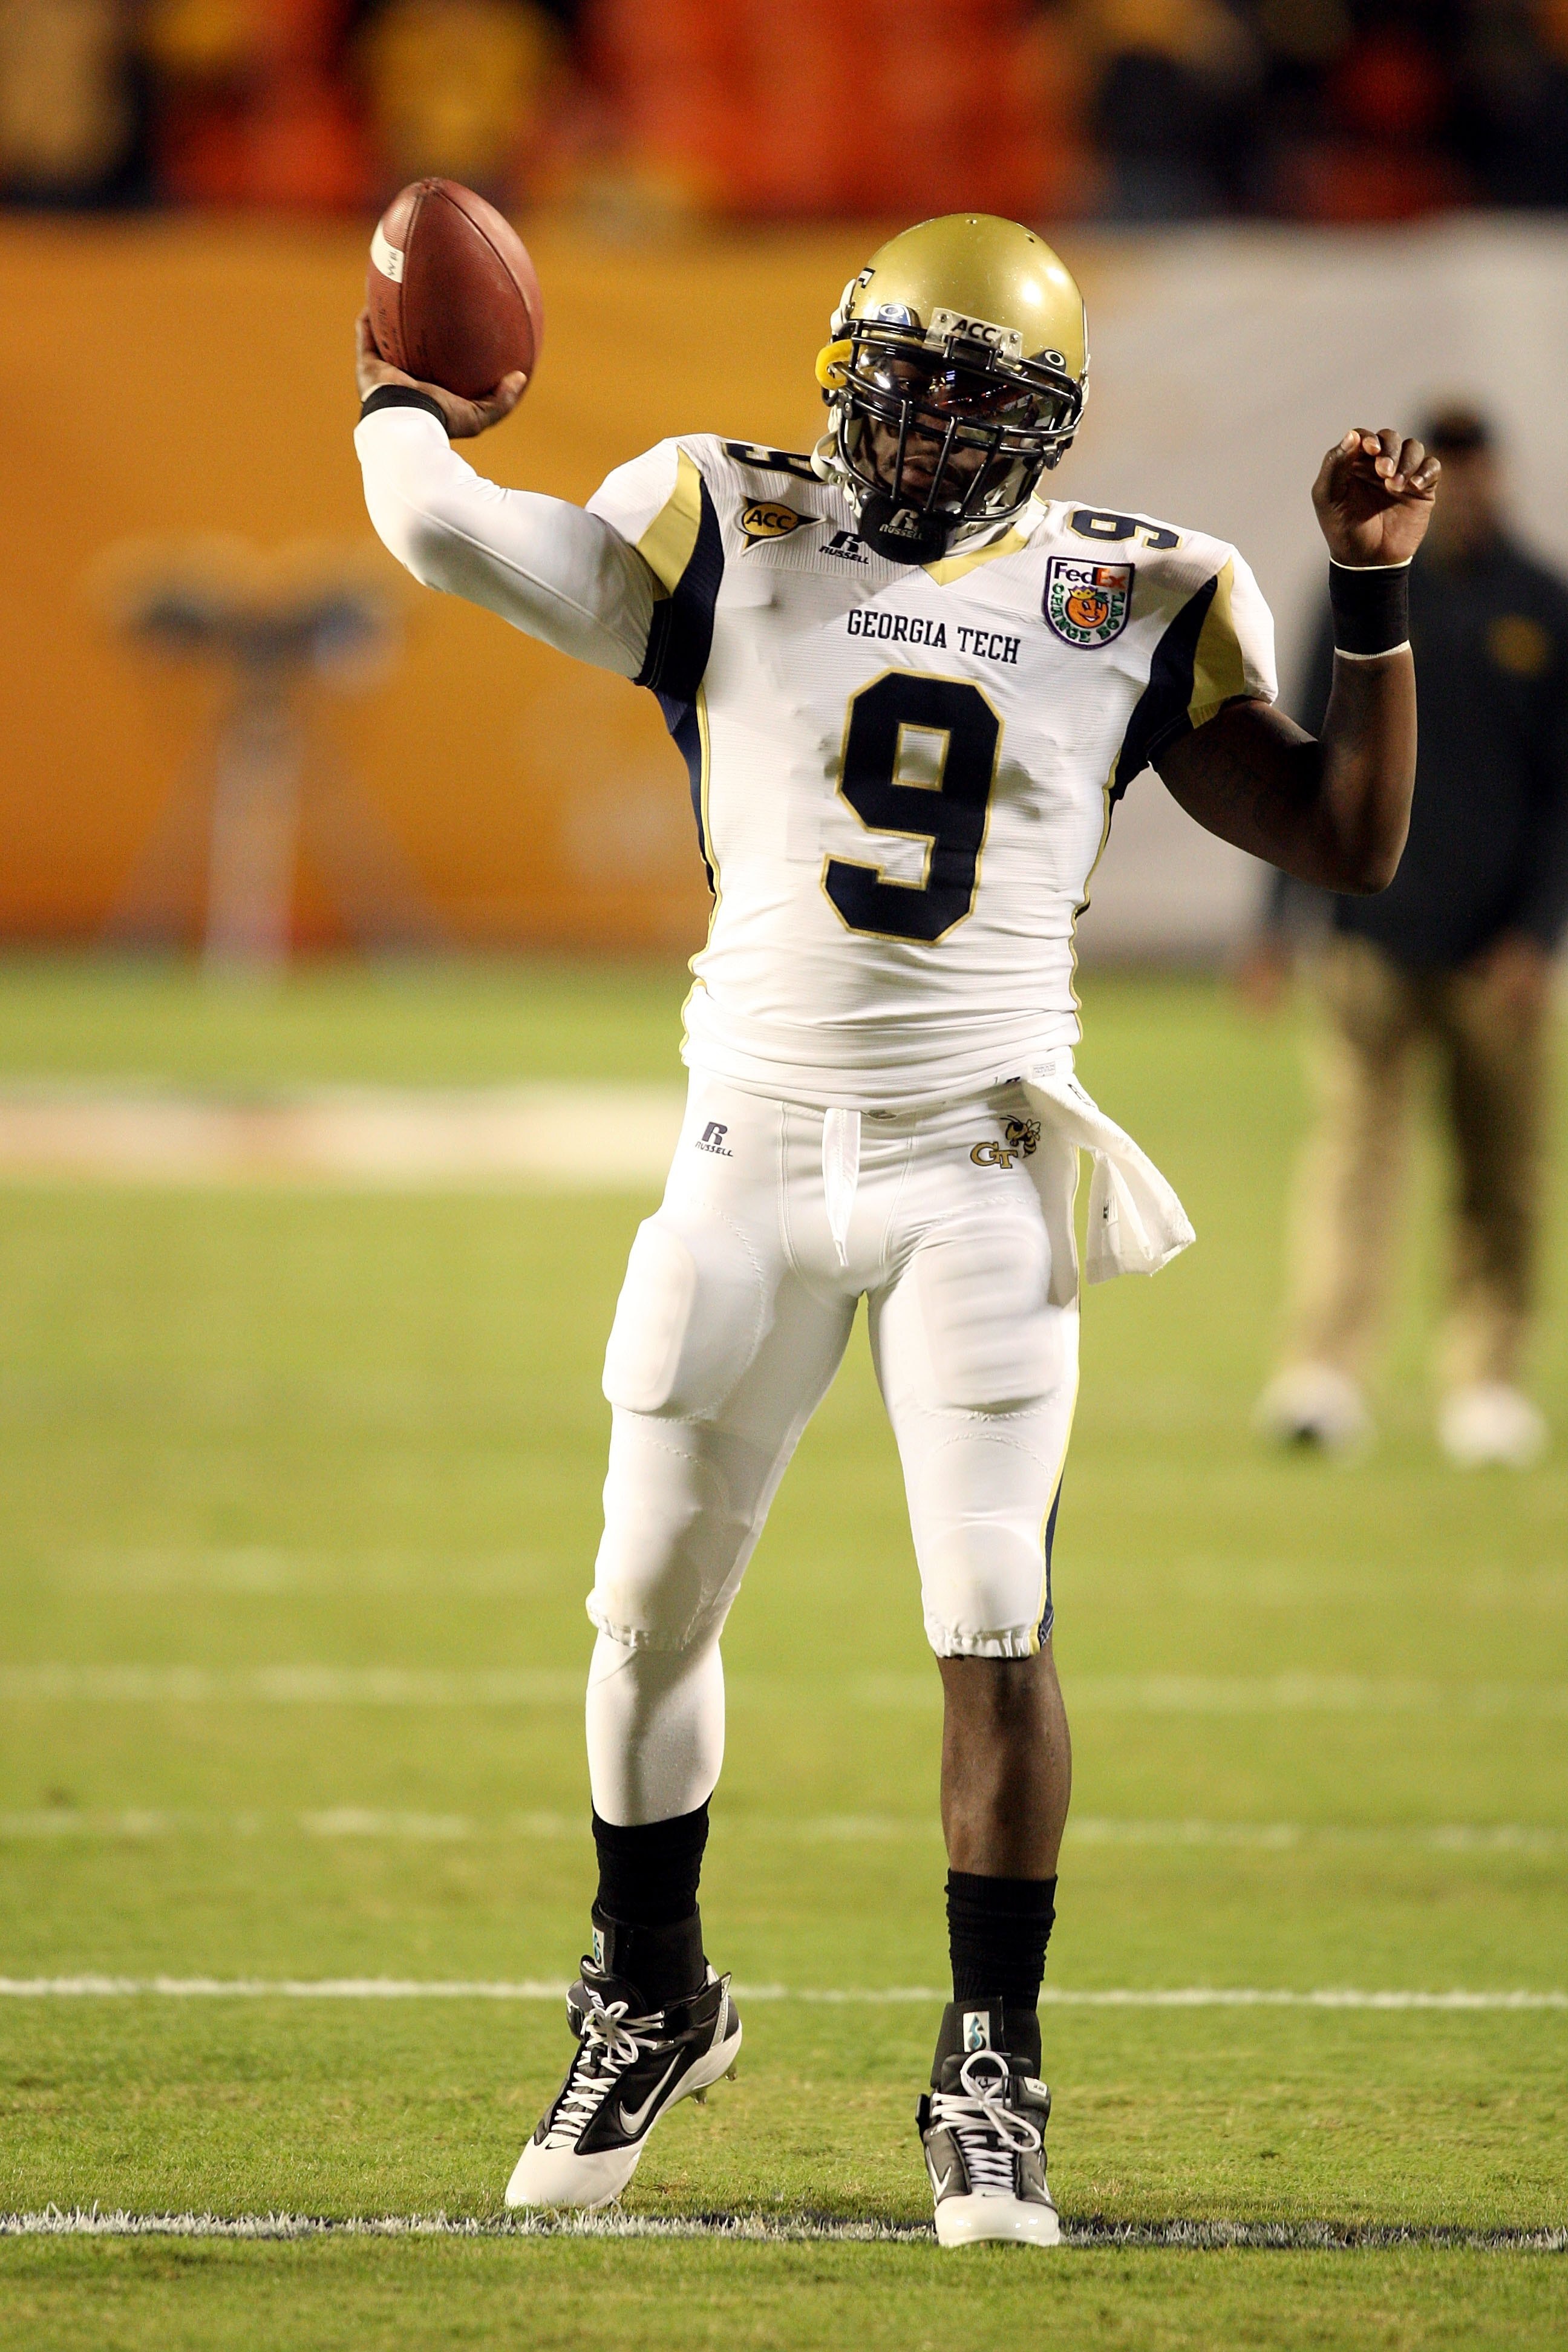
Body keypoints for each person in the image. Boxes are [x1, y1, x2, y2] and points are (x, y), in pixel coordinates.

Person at [353, 214, 1434, 2246]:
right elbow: (448, 538)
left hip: (976, 1163)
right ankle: (649, 1984)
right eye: (901, 376)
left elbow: (1348, 837)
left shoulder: (1139, 585)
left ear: (1043, 424)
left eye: (973, 394)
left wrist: (1368, 591)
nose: (924, 427)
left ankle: (987, 2057)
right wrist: (406, 400)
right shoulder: (720, 514)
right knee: (642, 1601)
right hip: (747, 1151)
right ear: (840, 363)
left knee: (993, 1611)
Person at [1251, 406, 1567, 1469]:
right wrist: (1276, 923)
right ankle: (1326, 1371)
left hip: (1496, 953)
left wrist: (1538, 935)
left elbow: (1563, 797)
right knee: (1355, 1160)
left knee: (1500, 1172)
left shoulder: (1542, 604)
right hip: (1368, 938)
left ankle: (1486, 1381)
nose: (1468, 493)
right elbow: (1292, 749)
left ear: (1498, 477)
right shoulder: (1371, 586)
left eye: (1478, 474)